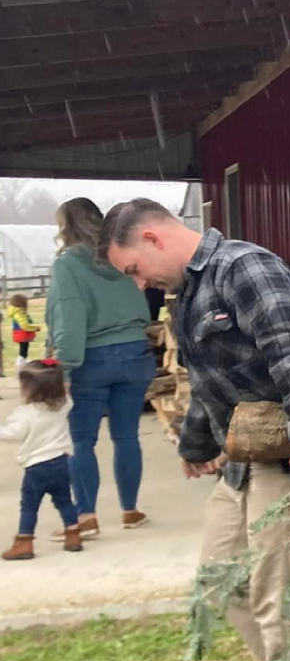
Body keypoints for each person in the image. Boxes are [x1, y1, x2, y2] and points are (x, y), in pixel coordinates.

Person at [98, 197, 290, 661]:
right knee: (220, 581)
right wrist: (196, 445)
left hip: (285, 458)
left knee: (277, 594)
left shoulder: (244, 268)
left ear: (155, 239)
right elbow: (212, 381)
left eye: (133, 268)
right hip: (238, 461)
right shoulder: (187, 298)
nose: (138, 284)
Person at [46, 197, 155, 541]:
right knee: (126, 436)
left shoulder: (68, 264)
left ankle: (86, 517)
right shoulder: (118, 254)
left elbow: (71, 319)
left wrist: (64, 370)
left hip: (91, 359)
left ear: (65, 227)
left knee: (81, 441)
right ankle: (131, 511)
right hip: (136, 353)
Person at [2, 359, 83, 560]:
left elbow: (13, 433)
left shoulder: (26, 414)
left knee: (29, 505)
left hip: (36, 466)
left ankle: (24, 542)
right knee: (64, 500)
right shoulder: (64, 404)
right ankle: (73, 535)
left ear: (29, 389)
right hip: (61, 462)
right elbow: (67, 396)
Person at [6, 293, 40, 373]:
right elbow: (24, 325)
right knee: (23, 351)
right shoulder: (19, 313)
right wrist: (35, 328)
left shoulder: (17, 312)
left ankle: (23, 361)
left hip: (20, 334)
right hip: (22, 334)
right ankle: (21, 365)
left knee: (24, 349)